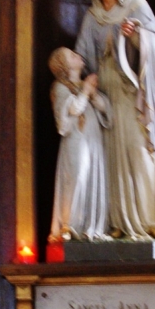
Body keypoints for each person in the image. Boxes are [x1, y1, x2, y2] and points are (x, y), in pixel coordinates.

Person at [75, 0, 155, 241]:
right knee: (111, 158)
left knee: (138, 150)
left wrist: (135, 36)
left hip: (132, 91)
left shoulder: (135, 4)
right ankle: (117, 222)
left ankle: (146, 221)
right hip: (105, 93)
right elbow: (82, 55)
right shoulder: (92, 17)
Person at [48, 46, 111, 243]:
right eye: (72, 56)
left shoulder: (86, 85)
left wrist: (93, 95)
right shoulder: (60, 88)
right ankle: (70, 226)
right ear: (64, 66)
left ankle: (93, 228)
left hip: (93, 141)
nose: (78, 56)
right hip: (75, 141)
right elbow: (73, 109)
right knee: (75, 180)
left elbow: (106, 110)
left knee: (94, 179)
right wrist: (85, 91)